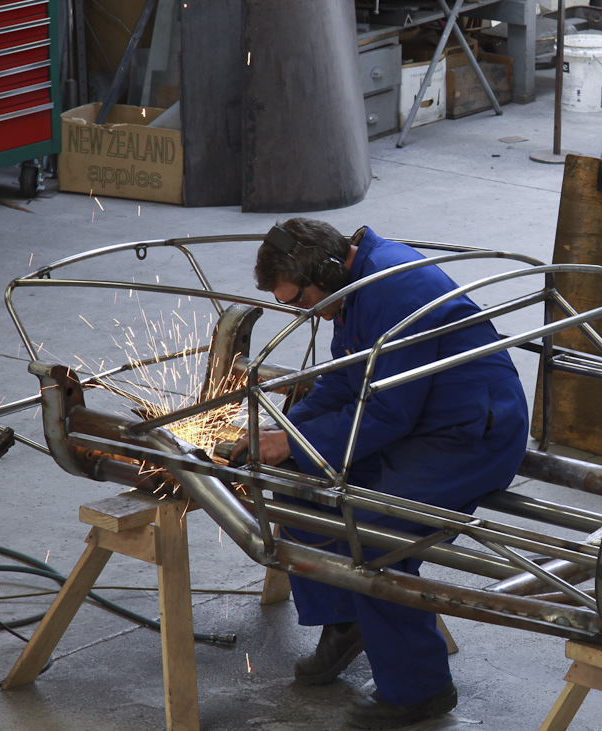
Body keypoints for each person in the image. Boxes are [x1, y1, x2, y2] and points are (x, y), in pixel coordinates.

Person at [236, 218, 528, 729]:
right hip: (422, 420)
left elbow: (388, 413)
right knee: (300, 488)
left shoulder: (391, 289)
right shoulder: (353, 287)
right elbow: (346, 384)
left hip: (468, 435)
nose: (302, 312)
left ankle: (419, 689)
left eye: (299, 300)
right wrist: (281, 431)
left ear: (323, 270)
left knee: (369, 535)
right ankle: (349, 622)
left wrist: (294, 444)